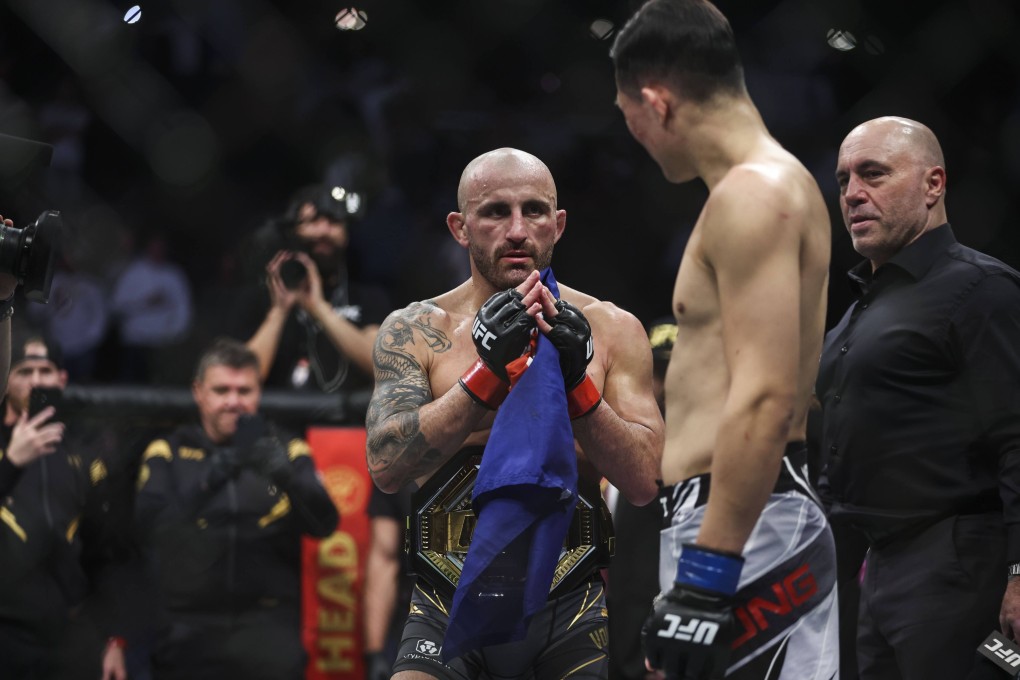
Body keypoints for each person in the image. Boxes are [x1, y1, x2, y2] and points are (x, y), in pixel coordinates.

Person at [366, 147, 664, 679]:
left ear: (559, 223)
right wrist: (484, 375)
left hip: (568, 608)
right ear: (460, 227)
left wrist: (576, 387)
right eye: (496, 212)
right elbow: (387, 467)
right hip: (443, 600)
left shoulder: (613, 329)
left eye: (534, 210)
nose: (518, 230)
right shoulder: (417, 331)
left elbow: (642, 481)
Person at [610, 1, 838, 678]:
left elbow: (766, 396)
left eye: (632, 120)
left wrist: (707, 574)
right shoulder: (765, 188)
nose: (638, 142)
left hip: (746, 522)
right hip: (733, 520)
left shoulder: (752, 195)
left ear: (658, 102)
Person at [816, 116, 1020, 680]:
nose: (853, 193)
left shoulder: (981, 290)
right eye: (843, 180)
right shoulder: (860, 310)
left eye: (874, 174)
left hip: (961, 558)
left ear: (934, 185)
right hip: (877, 565)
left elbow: (1017, 438)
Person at [133, 337, 340, 680]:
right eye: (221, 390)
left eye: (244, 391)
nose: (233, 402)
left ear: (258, 392)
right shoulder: (167, 451)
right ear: (199, 392)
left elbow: (325, 524)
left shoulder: (288, 450)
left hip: (268, 630)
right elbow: (149, 529)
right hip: (188, 632)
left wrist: (286, 475)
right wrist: (209, 478)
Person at [0, 332, 127, 680]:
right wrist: (11, 462)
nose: (36, 381)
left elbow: (107, 556)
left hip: (65, 635)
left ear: (62, 378)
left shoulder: (84, 456)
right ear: (5, 376)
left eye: (45, 370)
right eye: (24, 371)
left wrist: (113, 638)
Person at [239, 184, 391, 394]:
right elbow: (241, 379)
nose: (323, 230)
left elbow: (383, 367)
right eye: (313, 221)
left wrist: (319, 308)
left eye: (333, 221)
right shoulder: (263, 298)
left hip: (350, 423)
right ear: (293, 231)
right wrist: (279, 311)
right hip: (278, 423)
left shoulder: (369, 297)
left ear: (346, 233)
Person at [606, 318, 676, 680]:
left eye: (669, 374)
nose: (659, 387)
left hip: (654, 652)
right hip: (605, 644)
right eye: (653, 372)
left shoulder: (691, 464)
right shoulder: (610, 449)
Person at [362, 483, 414, 680]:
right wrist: (375, 652)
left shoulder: (506, 461)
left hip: (495, 616)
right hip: (416, 620)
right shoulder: (402, 465)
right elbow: (384, 558)